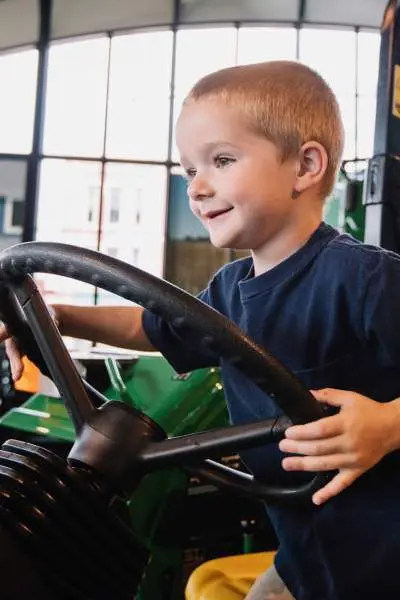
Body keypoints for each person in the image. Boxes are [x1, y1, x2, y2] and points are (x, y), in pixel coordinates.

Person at [3, 60, 400, 600]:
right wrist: (60, 318)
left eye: (222, 160)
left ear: (305, 165)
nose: (197, 187)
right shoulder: (231, 289)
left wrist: (388, 425)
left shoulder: (363, 277)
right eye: (189, 170)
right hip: (307, 553)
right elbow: (150, 326)